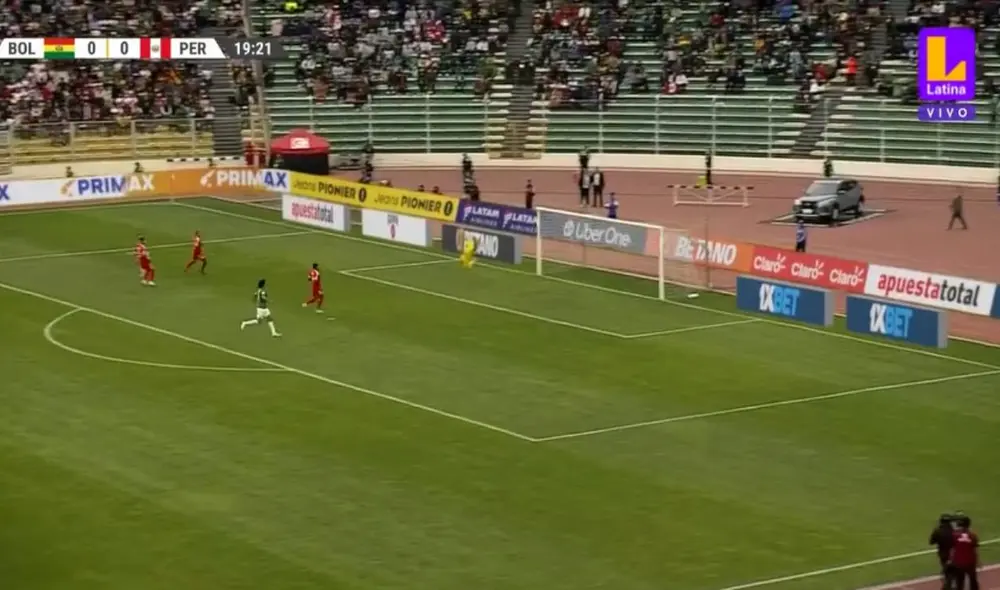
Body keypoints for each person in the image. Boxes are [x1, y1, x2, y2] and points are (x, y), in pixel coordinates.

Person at [949, 515, 979, 590]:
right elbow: (975, 550)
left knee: (959, 583)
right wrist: (978, 561)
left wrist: (951, 560)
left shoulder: (955, 535)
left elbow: (952, 549)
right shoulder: (973, 536)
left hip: (958, 563)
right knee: (973, 582)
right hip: (970, 562)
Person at [930, 515, 956, 590]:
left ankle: (947, 587)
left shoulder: (938, 531)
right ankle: (949, 586)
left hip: (943, 555)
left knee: (947, 571)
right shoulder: (954, 531)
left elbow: (931, 542)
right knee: (952, 572)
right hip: (954, 554)